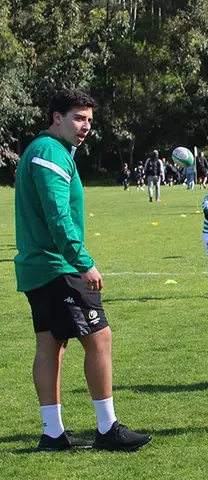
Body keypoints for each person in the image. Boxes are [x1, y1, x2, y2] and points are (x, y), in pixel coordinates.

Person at [14, 88, 151, 452]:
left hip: (38, 266)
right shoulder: (50, 153)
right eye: (78, 117)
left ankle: (53, 434)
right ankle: (107, 429)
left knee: (51, 344)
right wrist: (83, 262)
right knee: (99, 338)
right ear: (56, 117)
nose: (86, 126)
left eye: (89, 120)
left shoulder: (48, 150)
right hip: (58, 265)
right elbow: (57, 216)